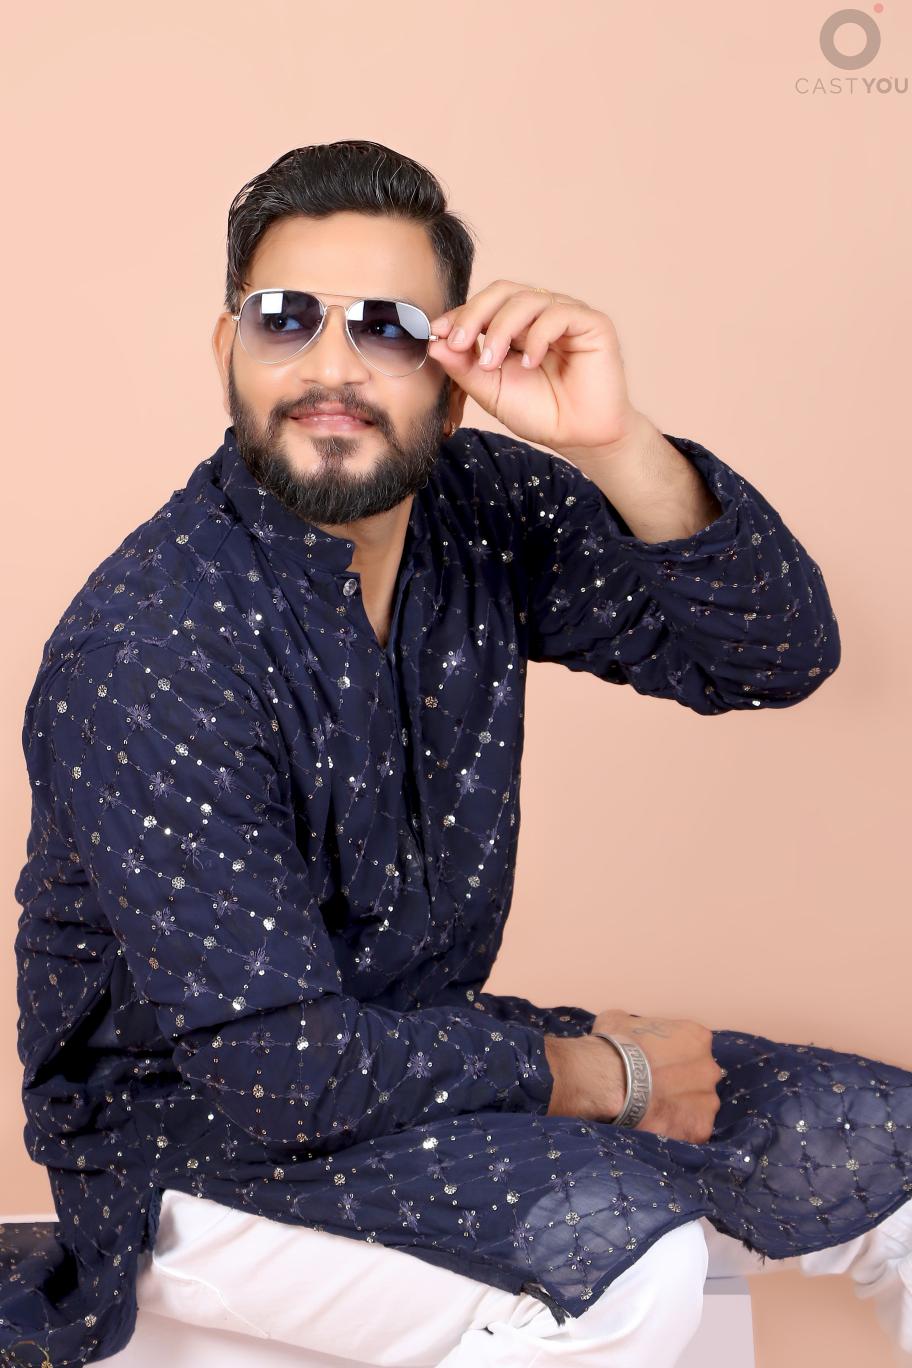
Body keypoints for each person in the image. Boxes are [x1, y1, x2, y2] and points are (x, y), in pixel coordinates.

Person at [3, 139, 910, 1368]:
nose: (331, 368)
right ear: (228, 352)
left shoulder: (476, 509)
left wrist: (613, 440)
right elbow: (281, 1070)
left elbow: (773, 654)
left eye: (388, 327)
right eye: (285, 320)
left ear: (455, 373)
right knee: (619, 1266)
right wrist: (602, 1075)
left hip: (421, 1062)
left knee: (886, 1147)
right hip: (188, 1139)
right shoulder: (152, 646)